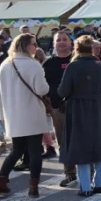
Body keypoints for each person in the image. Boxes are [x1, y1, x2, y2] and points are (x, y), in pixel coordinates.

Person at [0, 34, 51, 197]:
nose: (36, 47)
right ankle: (33, 186)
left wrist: (2, 116)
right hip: (32, 111)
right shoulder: (33, 65)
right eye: (34, 44)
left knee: (17, 150)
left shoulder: (5, 64)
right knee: (34, 150)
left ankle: (1, 180)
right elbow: (42, 89)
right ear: (26, 46)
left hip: (12, 113)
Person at [57, 35, 101, 196]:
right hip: (96, 107)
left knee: (80, 146)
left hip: (77, 109)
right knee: (98, 144)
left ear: (77, 48)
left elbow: (63, 91)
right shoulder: (99, 66)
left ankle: (85, 186)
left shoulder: (72, 67)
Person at [42, 31, 76, 184]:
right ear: (54, 44)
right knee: (63, 143)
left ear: (70, 42)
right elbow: (43, 87)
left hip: (79, 108)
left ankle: (90, 172)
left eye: (64, 40)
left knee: (82, 141)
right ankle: (69, 173)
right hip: (58, 109)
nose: (61, 42)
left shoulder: (77, 61)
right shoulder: (48, 64)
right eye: (58, 40)